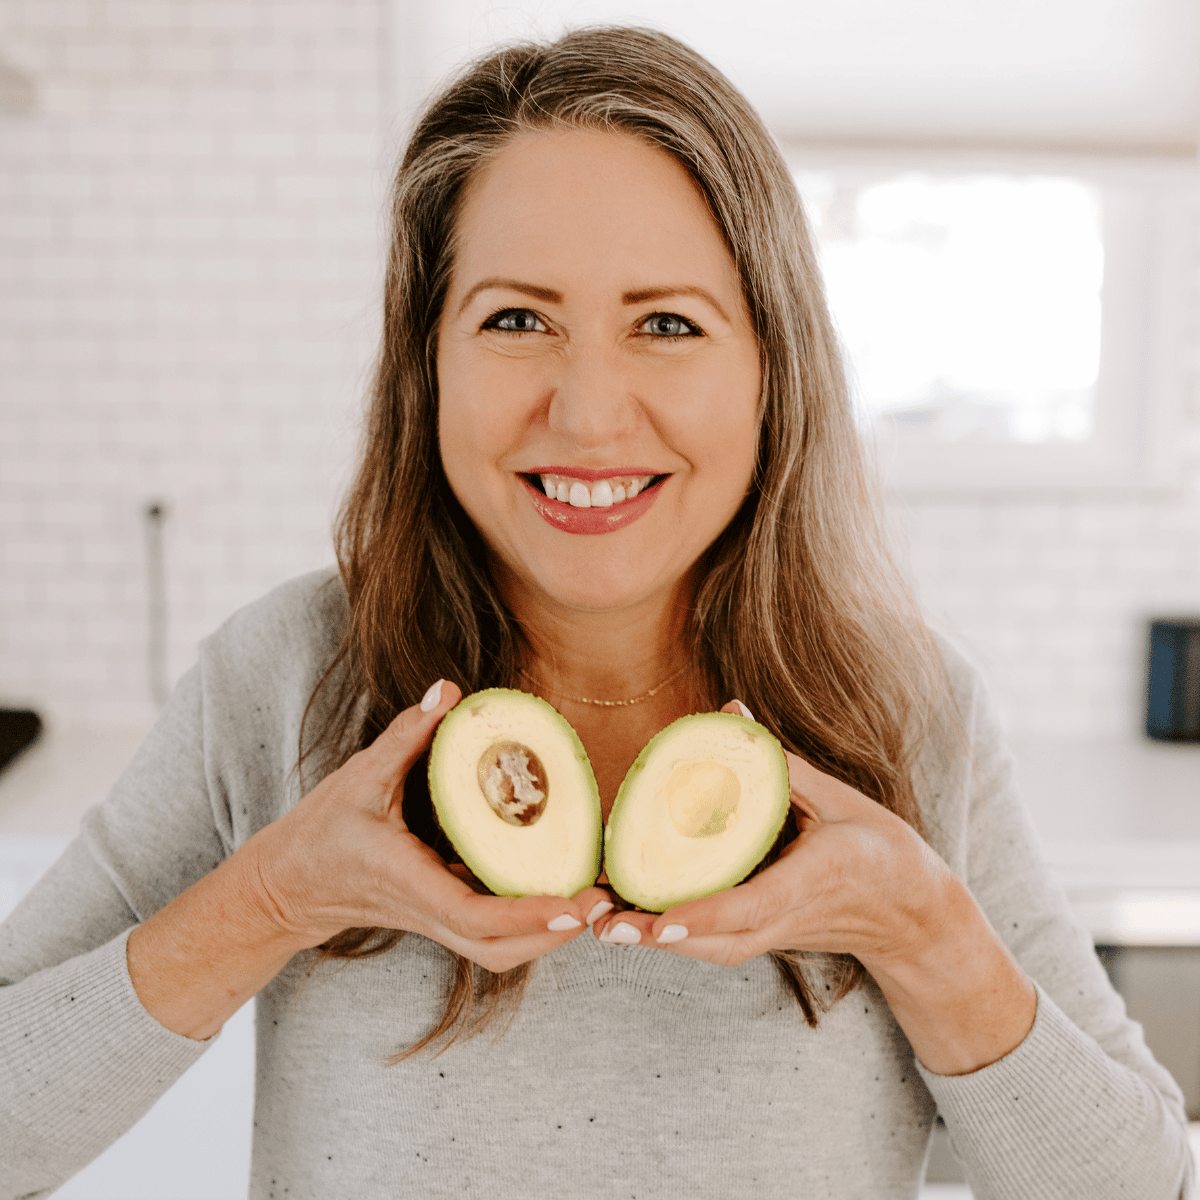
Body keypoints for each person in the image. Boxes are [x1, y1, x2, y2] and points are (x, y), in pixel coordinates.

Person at [1, 25, 1191, 1200]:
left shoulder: (910, 708)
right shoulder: (281, 678)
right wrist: (271, 900)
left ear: (772, 366)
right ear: (428, 362)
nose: (588, 414)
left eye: (666, 323)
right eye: (516, 319)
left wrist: (927, 933)